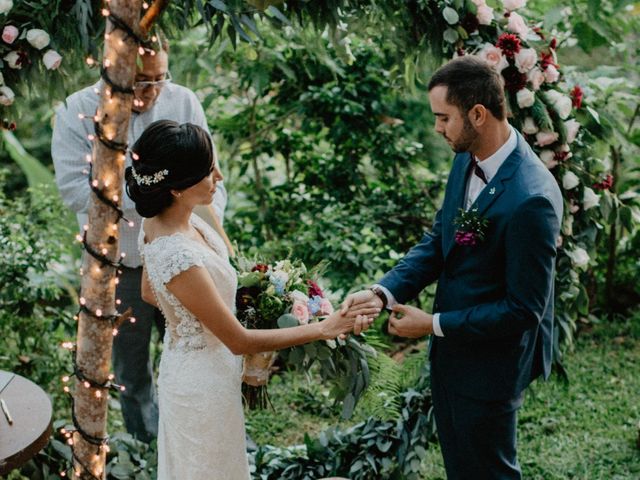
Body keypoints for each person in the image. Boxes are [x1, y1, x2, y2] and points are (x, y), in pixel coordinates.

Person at [343, 56, 563, 479]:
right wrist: (382, 292)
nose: (437, 128)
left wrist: (433, 323)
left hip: (491, 368)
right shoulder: (468, 157)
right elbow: (442, 239)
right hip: (452, 357)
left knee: (490, 472)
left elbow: (524, 310)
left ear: (477, 114)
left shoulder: (531, 199)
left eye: (443, 118)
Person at [125, 120, 367, 479]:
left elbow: (150, 291)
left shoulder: (164, 223)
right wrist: (324, 329)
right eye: (209, 171)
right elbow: (238, 340)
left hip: (199, 367)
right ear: (176, 188)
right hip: (200, 386)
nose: (219, 176)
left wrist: (201, 317)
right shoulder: (177, 255)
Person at [51, 35, 227, 443]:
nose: (151, 91)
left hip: (187, 259)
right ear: (111, 70)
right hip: (121, 264)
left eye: (160, 79)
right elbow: (75, 192)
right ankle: (149, 445)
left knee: (202, 352)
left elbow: (211, 175)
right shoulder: (77, 110)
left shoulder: (183, 101)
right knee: (132, 371)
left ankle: (207, 433)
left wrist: (207, 235)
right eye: (140, 81)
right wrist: (156, 195)